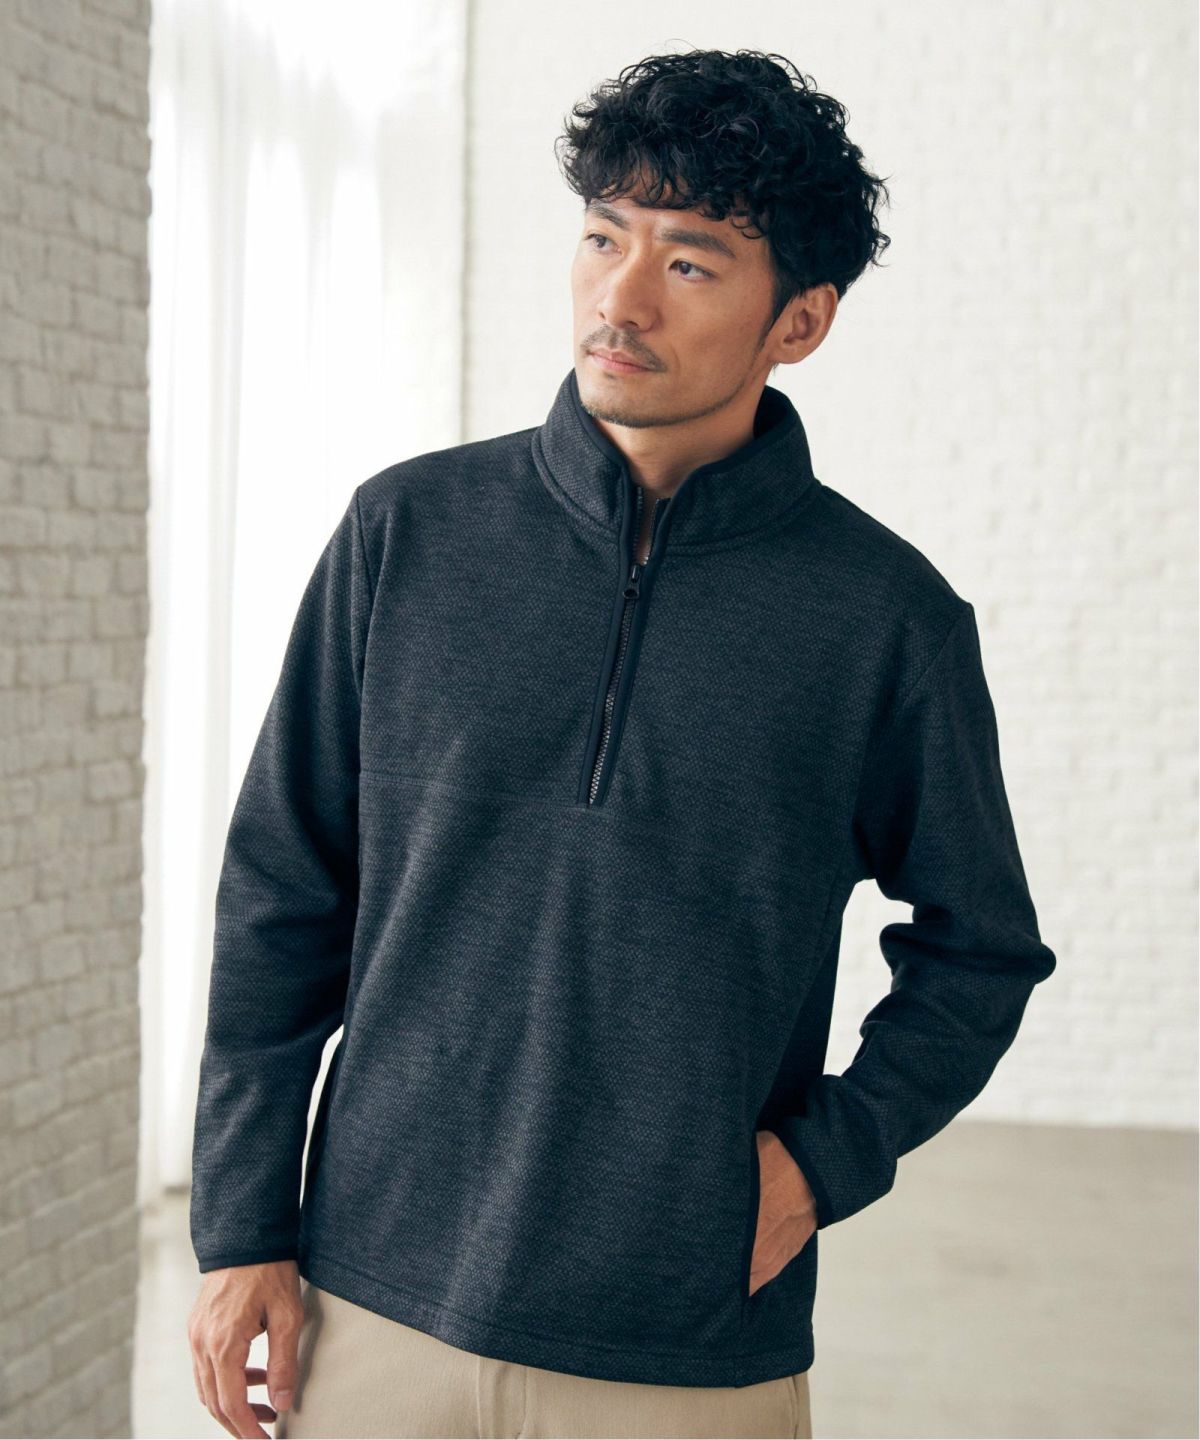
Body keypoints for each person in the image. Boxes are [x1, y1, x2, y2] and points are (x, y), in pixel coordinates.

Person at [186, 47, 1056, 1440]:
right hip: (371, 1302)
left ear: (800, 321)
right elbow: (282, 892)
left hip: (685, 1335)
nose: (621, 298)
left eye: (691, 262)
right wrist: (242, 1228)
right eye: (604, 237)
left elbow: (982, 947)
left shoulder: (883, 619)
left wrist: (822, 1164)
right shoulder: (406, 534)